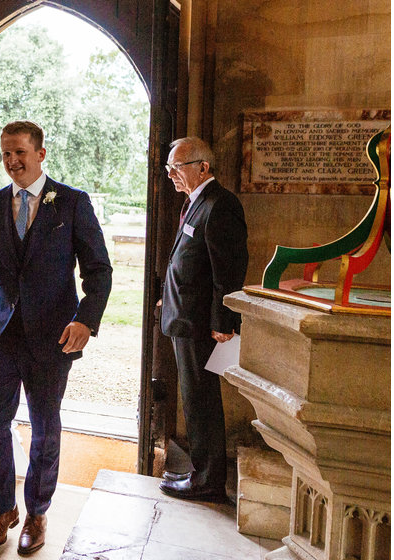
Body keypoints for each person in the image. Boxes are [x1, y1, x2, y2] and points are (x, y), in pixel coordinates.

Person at [0, 120, 112, 555]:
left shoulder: (71, 203)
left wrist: (86, 320)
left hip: (52, 337)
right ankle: (4, 509)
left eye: (20, 153)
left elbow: (99, 270)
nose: (12, 161)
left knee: (46, 428)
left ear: (40, 154)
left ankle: (37, 512)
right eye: (6, 154)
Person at [158, 136, 248, 502]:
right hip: (185, 318)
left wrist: (223, 321)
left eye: (176, 167)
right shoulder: (196, 203)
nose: (171, 175)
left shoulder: (220, 205)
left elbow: (227, 269)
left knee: (200, 400)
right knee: (194, 398)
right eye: (168, 168)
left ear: (202, 167)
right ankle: (203, 472)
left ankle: (208, 480)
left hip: (201, 325)